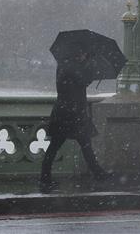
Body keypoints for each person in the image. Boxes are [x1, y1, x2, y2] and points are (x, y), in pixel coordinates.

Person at [40, 52, 112, 192]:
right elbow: (83, 80)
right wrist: (90, 68)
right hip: (72, 113)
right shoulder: (72, 67)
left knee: (58, 146)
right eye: (84, 53)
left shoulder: (64, 65)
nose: (85, 55)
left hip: (65, 111)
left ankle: (45, 178)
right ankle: (98, 173)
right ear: (78, 53)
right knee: (82, 145)